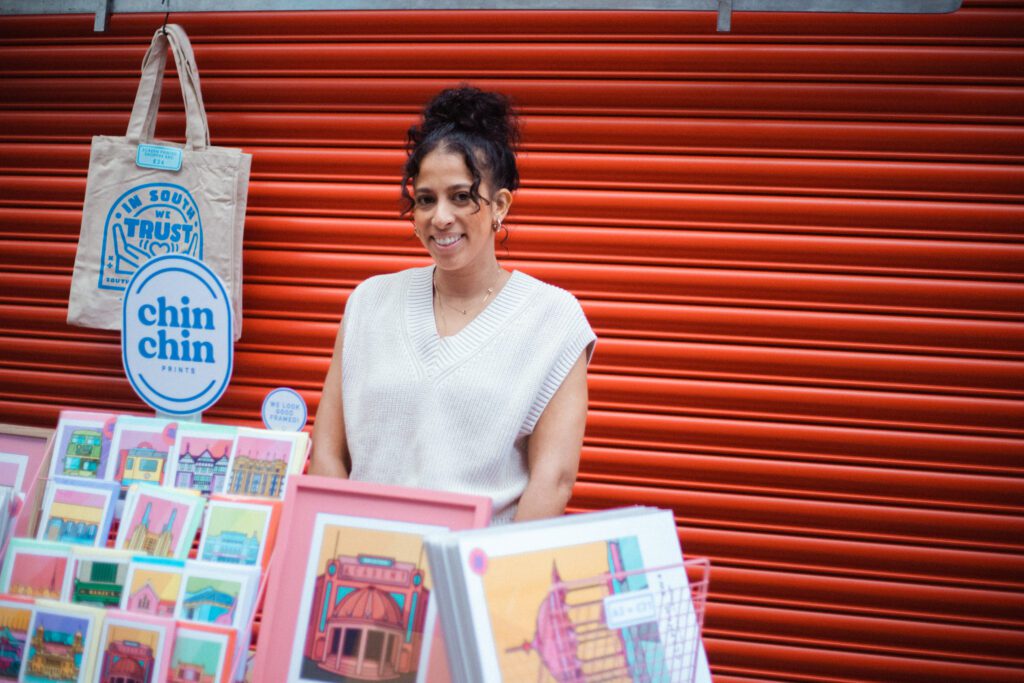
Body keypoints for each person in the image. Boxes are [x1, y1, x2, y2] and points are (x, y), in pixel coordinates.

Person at [310, 85, 596, 524]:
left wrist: (495, 580)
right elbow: (328, 454)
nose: (440, 217)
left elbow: (552, 479)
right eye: (425, 199)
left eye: (461, 196)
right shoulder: (370, 303)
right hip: (360, 567)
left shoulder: (553, 319)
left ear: (500, 205)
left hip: (473, 573)